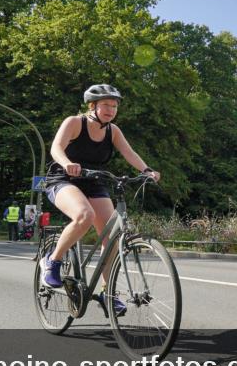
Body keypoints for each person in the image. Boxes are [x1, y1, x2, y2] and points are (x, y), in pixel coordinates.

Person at [40, 84, 160, 316]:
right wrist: (67, 163)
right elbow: (56, 148)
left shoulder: (113, 131)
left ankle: (108, 294)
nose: (111, 110)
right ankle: (52, 261)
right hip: (63, 179)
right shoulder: (74, 122)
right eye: (106, 105)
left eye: (114, 106)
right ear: (92, 106)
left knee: (112, 236)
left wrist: (146, 170)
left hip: (94, 181)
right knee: (85, 215)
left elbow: (129, 153)